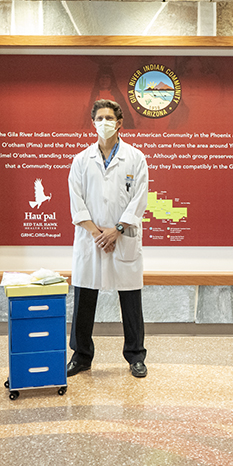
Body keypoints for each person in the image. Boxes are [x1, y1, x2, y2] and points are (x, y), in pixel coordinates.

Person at [66, 99, 150, 379]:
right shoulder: (80, 160)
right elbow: (76, 202)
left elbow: (139, 200)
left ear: (119, 123)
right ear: (93, 123)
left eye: (109, 118)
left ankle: (135, 355)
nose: (104, 123)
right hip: (91, 239)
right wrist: (97, 233)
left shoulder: (135, 158)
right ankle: (81, 356)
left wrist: (116, 230)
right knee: (84, 298)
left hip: (122, 236)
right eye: (99, 118)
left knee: (130, 299)